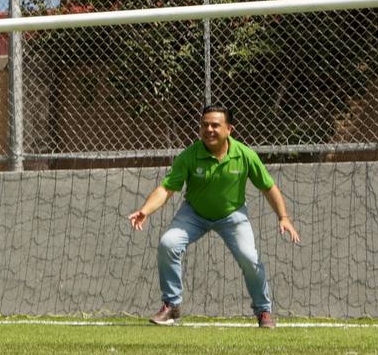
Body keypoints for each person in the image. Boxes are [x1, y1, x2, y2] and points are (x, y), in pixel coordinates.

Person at [128, 104, 300, 328]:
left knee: (250, 259)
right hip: (194, 214)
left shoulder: (245, 155)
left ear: (229, 129)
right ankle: (171, 306)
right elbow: (166, 189)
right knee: (167, 243)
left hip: (233, 215)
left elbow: (269, 188)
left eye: (215, 125)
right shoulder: (190, 156)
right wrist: (145, 210)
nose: (209, 129)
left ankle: (264, 311)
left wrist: (283, 217)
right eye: (204, 125)